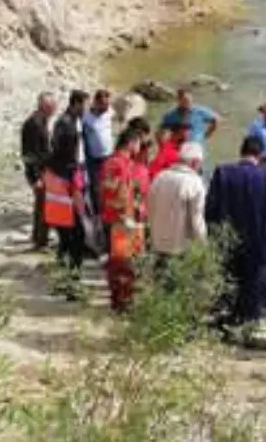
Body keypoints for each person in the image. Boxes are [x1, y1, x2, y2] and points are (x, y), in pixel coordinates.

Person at [206, 136, 266, 347]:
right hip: (260, 242)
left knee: (229, 281)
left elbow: (210, 210)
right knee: (254, 285)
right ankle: (249, 326)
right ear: (260, 155)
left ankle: (228, 326)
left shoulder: (223, 172)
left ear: (241, 151)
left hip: (229, 239)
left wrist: (213, 237)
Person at [101, 127, 147, 312]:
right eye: (138, 144)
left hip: (124, 217)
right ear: (131, 143)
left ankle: (123, 300)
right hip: (121, 220)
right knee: (123, 264)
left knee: (125, 263)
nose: (139, 148)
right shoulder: (117, 164)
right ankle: (122, 304)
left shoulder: (121, 162)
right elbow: (112, 191)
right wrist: (124, 215)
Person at [49, 90, 88, 274]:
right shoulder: (66, 125)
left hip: (66, 176)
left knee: (68, 230)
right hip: (64, 178)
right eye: (85, 105)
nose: (86, 109)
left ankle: (65, 266)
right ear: (76, 104)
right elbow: (61, 153)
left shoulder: (71, 122)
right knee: (73, 230)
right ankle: (71, 269)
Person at [147, 141, 208, 260]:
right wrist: (203, 243)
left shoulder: (160, 177)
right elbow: (197, 219)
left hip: (157, 244)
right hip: (180, 248)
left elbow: (150, 208)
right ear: (195, 162)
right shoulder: (194, 182)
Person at [20, 93, 56, 250]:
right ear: (45, 106)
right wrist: (35, 177)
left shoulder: (41, 121)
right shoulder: (34, 124)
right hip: (38, 173)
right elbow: (30, 153)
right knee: (43, 206)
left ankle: (39, 237)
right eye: (53, 105)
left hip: (42, 170)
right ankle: (41, 241)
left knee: (42, 206)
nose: (55, 109)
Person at [82, 89, 115, 214]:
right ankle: (96, 213)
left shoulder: (110, 112)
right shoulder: (86, 118)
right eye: (104, 104)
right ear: (96, 102)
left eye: (108, 104)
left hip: (109, 156)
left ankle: (108, 209)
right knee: (95, 187)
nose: (106, 107)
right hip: (94, 158)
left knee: (109, 184)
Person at [161, 88, 220, 153]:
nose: (188, 103)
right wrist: (162, 146)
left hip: (195, 145)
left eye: (189, 100)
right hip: (177, 146)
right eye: (185, 100)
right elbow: (161, 131)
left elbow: (215, 120)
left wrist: (207, 134)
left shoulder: (199, 111)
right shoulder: (171, 115)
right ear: (178, 100)